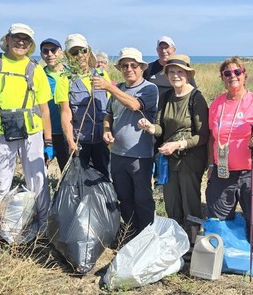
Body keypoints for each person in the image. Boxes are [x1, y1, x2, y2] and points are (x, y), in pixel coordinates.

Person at [0, 23, 53, 252]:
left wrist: (48, 141)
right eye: (17, 38)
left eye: (25, 40)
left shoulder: (35, 68)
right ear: (7, 39)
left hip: (32, 132)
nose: (21, 43)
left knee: (39, 182)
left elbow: (44, 108)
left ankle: (43, 231)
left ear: (30, 44)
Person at [206, 57, 253, 269]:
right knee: (219, 214)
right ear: (222, 78)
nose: (233, 76)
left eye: (237, 72)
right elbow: (211, 137)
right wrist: (211, 165)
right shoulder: (217, 104)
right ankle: (224, 251)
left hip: (251, 171)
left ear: (244, 75)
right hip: (223, 171)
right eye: (227, 73)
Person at [137, 55, 209, 242]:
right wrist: (150, 128)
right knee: (172, 202)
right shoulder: (166, 96)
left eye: (180, 72)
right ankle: (176, 242)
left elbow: (203, 136)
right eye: (171, 72)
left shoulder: (196, 98)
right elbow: (160, 128)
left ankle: (193, 243)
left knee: (190, 202)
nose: (175, 75)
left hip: (190, 159)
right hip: (169, 159)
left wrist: (179, 144)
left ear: (187, 75)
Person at [99, 48, 159, 236]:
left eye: (134, 65)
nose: (129, 69)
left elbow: (134, 105)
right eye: (125, 66)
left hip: (140, 155)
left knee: (142, 198)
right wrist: (107, 129)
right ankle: (130, 233)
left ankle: (147, 235)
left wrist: (109, 87)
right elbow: (109, 114)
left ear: (141, 68)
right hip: (117, 153)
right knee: (124, 197)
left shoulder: (150, 89)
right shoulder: (119, 89)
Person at [55, 34, 111, 179]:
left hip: (102, 140)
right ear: (68, 55)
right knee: (79, 180)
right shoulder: (64, 79)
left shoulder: (102, 74)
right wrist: (70, 141)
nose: (80, 55)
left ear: (88, 51)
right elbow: (65, 112)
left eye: (83, 50)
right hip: (79, 141)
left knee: (105, 178)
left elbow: (110, 108)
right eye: (74, 52)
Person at [39, 37, 69, 171]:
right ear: (41, 55)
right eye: (45, 51)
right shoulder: (38, 75)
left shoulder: (71, 74)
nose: (50, 54)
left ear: (61, 52)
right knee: (40, 173)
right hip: (44, 133)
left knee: (68, 172)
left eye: (53, 50)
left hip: (67, 132)